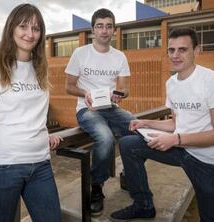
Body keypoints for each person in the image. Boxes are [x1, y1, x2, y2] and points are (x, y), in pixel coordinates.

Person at [110, 28, 214, 222]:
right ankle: (143, 205)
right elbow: (177, 122)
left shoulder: (213, 81)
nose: (175, 55)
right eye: (171, 50)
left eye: (182, 49)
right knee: (128, 144)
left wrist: (176, 139)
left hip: (207, 160)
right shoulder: (171, 83)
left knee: (210, 218)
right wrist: (146, 122)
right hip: (180, 150)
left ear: (196, 51)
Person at [0, 4, 62, 222]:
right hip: (4, 167)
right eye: (23, 26)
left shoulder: (40, 69)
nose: (30, 34)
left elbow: (30, 113)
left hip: (40, 164)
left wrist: (42, 134)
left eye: (36, 29)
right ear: (11, 28)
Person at [65, 8, 136, 216]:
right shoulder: (80, 53)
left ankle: (128, 174)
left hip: (111, 107)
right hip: (87, 109)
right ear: (92, 30)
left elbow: (125, 89)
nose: (104, 30)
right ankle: (96, 187)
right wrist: (85, 93)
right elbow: (69, 86)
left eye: (108, 26)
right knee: (105, 138)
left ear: (114, 30)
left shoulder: (119, 56)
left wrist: (119, 94)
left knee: (138, 128)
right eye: (99, 25)